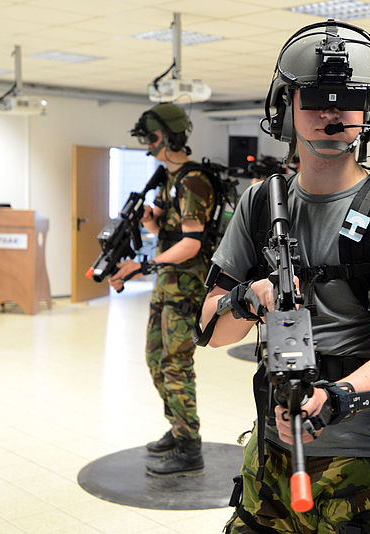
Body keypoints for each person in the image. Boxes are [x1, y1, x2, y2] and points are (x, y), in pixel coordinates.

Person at [198, 21, 370, 534]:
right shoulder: (261, 202)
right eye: (316, 99)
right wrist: (244, 300)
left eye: (348, 99)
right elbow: (211, 331)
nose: (332, 112)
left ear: (369, 111)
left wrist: (333, 398)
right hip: (270, 448)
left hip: (362, 460)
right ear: (286, 109)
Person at [109, 103, 214, 476]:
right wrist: (151, 221)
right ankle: (178, 427)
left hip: (186, 290)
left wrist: (143, 265)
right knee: (156, 360)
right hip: (167, 286)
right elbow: (167, 234)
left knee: (176, 363)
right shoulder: (168, 180)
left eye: (151, 139)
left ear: (168, 137)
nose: (148, 147)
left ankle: (190, 446)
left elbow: (193, 243)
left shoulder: (191, 181)